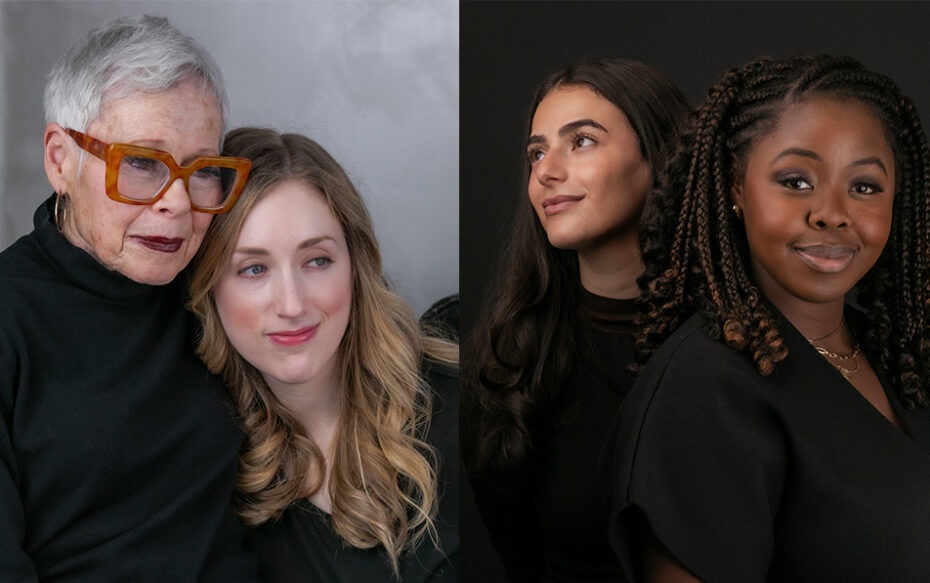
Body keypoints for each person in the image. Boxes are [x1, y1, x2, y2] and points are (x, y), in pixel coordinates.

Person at [609, 54, 930, 583]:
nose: (832, 211)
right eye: (796, 180)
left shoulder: (899, 357)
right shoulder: (704, 389)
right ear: (737, 187)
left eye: (866, 186)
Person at [0, 14, 260, 583]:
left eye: (202, 171)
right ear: (60, 161)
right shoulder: (9, 321)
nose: (177, 202)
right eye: (141, 163)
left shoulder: (223, 292)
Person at [188, 127, 459, 582]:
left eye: (317, 260)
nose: (292, 304)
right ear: (209, 290)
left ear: (355, 265)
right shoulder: (208, 485)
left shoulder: (459, 394)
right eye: (253, 269)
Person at [462, 58, 689, 581]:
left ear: (660, 156)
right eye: (536, 152)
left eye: (581, 141)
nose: (545, 171)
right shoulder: (506, 361)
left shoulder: (738, 342)